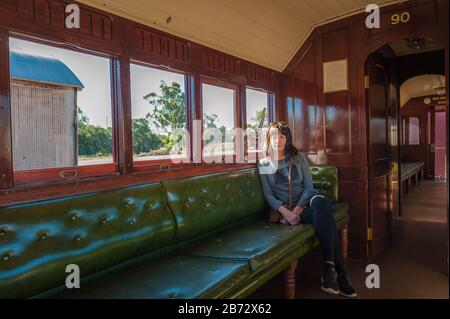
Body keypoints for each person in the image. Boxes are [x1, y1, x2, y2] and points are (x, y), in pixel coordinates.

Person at [258, 121, 357, 298]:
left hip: (304, 206)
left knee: (321, 202)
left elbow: (309, 187)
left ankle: (329, 268)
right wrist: (286, 213)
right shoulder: (264, 164)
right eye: (274, 136)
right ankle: (340, 272)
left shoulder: (299, 158)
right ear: (268, 138)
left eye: (282, 136)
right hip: (284, 212)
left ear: (287, 139)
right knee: (327, 217)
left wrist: (296, 211)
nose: (278, 140)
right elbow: (269, 196)